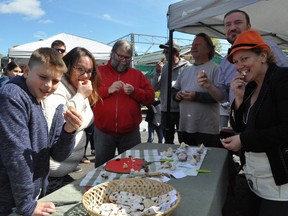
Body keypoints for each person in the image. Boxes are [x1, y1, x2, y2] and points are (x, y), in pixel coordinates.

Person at [0, 48, 83, 215]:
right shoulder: (12, 96)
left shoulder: (42, 100)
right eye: (43, 77)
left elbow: (57, 155)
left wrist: (69, 130)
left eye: (55, 81)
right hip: (10, 203)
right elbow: (17, 156)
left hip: (32, 194)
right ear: (26, 71)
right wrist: (27, 205)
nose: (48, 86)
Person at [220, 30, 288, 216]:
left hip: (280, 180)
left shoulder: (283, 79)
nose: (239, 66)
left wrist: (243, 141)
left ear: (263, 56)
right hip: (255, 176)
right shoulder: (250, 86)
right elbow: (241, 128)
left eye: (244, 59)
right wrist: (239, 101)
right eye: (235, 62)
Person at [197, 9, 288, 107]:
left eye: (238, 22)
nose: (232, 27)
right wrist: (209, 85)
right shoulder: (225, 61)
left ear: (248, 27)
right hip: (239, 118)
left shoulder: (268, 48)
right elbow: (223, 97)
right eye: (228, 24)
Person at [42, 47, 98, 193]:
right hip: (51, 173)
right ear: (67, 67)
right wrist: (80, 97)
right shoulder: (58, 88)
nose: (85, 75)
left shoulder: (77, 88)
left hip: (65, 169)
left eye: (90, 71)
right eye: (80, 69)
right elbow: (58, 123)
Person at [93, 39, 155, 167]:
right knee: (102, 169)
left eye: (127, 57)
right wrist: (107, 90)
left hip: (130, 133)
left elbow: (150, 97)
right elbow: (88, 95)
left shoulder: (137, 74)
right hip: (104, 132)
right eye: (120, 56)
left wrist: (135, 91)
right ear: (112, 53)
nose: (124, 60)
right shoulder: (99, 71)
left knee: (133, 168)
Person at [172, 33, 220, 147]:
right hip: (185, 127)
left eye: (198, 44)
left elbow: (220, 96)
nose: (193, 47)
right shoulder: (186, 70)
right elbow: (174, 90)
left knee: (207, 163)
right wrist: (177, 95)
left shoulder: (216, 69)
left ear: (209, 49)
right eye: (193, 44)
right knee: (185, 162)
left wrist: (196, 96)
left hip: (207, 129)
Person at [152, 40, 191, 144]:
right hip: (166, 110)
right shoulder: (163, 68)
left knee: (184, 140)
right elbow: (154, 88)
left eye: (167, 51)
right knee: (168, 141)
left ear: (176, 52)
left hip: (182, 110)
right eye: (164, 52)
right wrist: (158, 73)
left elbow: (191, 87)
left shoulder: (187, 67)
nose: (165, 54)